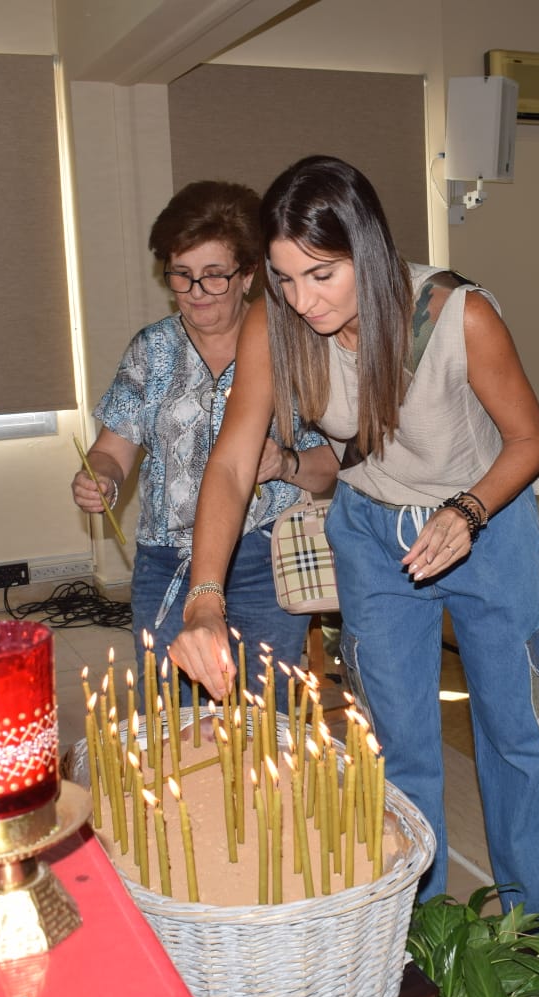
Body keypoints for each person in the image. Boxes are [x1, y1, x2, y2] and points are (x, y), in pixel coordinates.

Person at [169, 155, 539, 919]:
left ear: (366, 249)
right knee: (394, 750)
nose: (303, 300)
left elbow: (530, 440)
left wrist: (467, 512)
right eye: (284, 278)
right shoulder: (275, 322)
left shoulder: (461, 316)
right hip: (370, 532)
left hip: (486, 526)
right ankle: (417, 933)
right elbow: (230, 464)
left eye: (321, 275)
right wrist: (204, 598)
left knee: (522, 738)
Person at [71, 180, 335, 710]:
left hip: (264, 559)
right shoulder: (152, 350)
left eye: (214, 275)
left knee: (265, 714)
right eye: (181, 274)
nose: (196, 291)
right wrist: (101, 477)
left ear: (249, 274)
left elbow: (331, 465)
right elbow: (112, 450)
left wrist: (285, 462)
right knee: (173, 717)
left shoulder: (292, 348)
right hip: (165, 561)